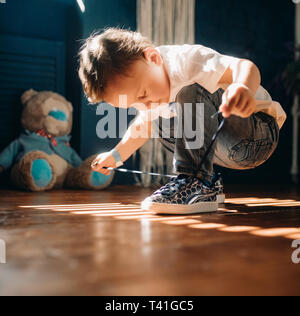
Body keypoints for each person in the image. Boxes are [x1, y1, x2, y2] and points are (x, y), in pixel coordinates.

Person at [78, 28, 286, 215]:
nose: (145, 104)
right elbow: (141, 127)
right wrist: (115, 155)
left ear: (153, 57)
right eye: (133, 103)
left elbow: (245, 66)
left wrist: (243, 88)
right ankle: (207, 183)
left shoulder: (187, 61)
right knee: (157, 121)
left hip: (257, 133)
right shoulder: (150, 100)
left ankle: (193, 180)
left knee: (189, 92)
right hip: (225, 148)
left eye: (142, 94)